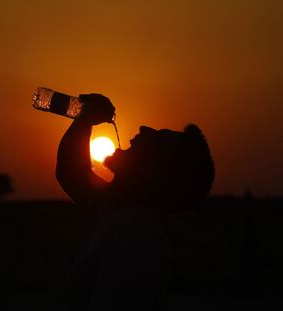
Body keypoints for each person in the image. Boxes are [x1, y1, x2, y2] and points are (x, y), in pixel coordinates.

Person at [56, 94, 215, 310]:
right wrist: (84, 120)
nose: (143, 129)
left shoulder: (137, 236)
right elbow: (71, 172)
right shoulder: (122, 211)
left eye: (157, 139)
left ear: (156, 173)